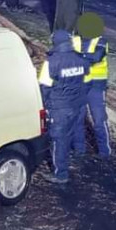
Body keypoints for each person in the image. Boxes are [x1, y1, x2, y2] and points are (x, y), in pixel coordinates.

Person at [38, 29, 90, 183]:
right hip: (78, 104)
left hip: (60, 107)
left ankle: (61, 174)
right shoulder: (81, 59)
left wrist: (47, 105)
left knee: (58, 139)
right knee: (70, 133)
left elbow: (44, 87)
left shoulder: (51, 62)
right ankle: (72, 155)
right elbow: (87, 82)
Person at [74, 12, 111, 158]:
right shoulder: (75, 40)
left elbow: (96, 57)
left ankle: (104, 151)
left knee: (99, 120)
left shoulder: (101, 41)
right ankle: (79, 150)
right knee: (78, 119)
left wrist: (77, 57)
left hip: (96, 86)